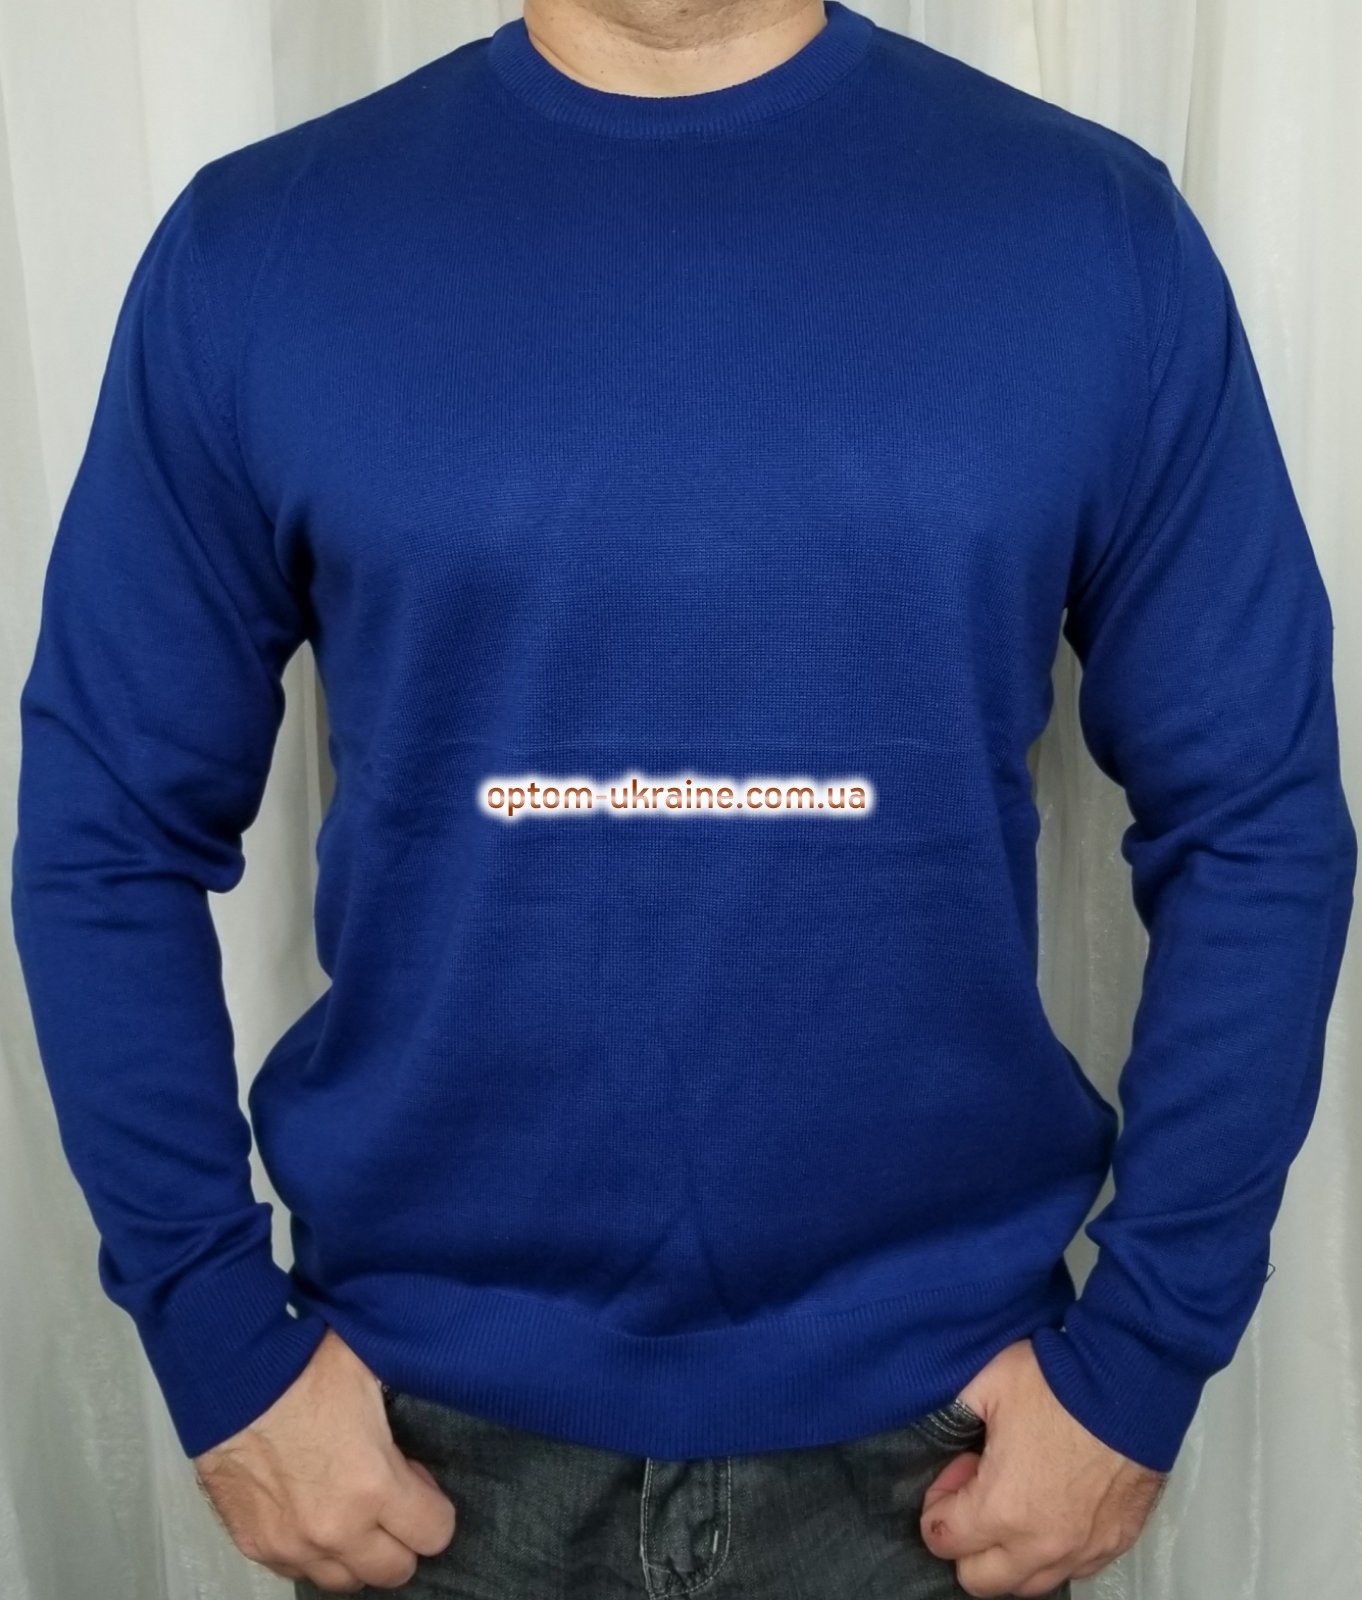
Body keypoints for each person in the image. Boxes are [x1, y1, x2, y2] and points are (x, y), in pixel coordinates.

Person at [11, 0, 1355, 1594]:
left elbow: (1255, 819)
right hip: (418, 1444)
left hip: (944, 1452)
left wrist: (1140, 1361)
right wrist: (220, 1342)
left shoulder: (1092, 234)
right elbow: (107, 829)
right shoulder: (263, 246)